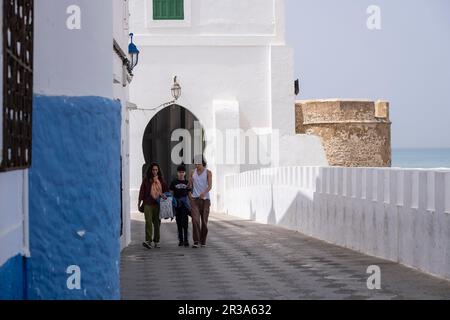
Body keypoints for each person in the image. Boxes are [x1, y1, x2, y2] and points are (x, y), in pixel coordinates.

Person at [138, 163, 168, 250]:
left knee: (157, 223)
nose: (154, 171)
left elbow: (166, 191)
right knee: (148, 222)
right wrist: (139, 202)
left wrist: (165, 195)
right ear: (150, 170)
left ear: (158, 171)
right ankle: (148, 241)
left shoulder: (161, 180)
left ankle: (156, 241)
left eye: (156, 170)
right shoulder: (146, 180)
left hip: (157, 204)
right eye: (153, 170)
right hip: (148, 203)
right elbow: (142, 191)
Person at [189, 157, 213, 248]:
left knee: (204, 221)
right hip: (195, 199)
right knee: (195, 220)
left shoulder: (208, 172)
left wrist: (204, 192)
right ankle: (196, 241)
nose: (197, 165)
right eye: (195, 164)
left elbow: (210, 186)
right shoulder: (192, 172)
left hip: (205, 200)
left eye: (198, 164)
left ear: (203, 163)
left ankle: (203, 241)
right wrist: (190, 185)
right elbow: (189, 185)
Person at [170, 165, 192, 248]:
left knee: (185, 223)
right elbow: (171, 194)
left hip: (185, 206)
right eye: (180, 172)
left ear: (185, 173)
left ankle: (186, 240)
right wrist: (172, 205)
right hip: (177, 205)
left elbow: (189, 194)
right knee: (179, 223)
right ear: (177, 173)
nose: (181, 174)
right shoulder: (174, 182)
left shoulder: (187, 183)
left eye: (183, 172)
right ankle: (180, 240)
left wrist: (192, 204)